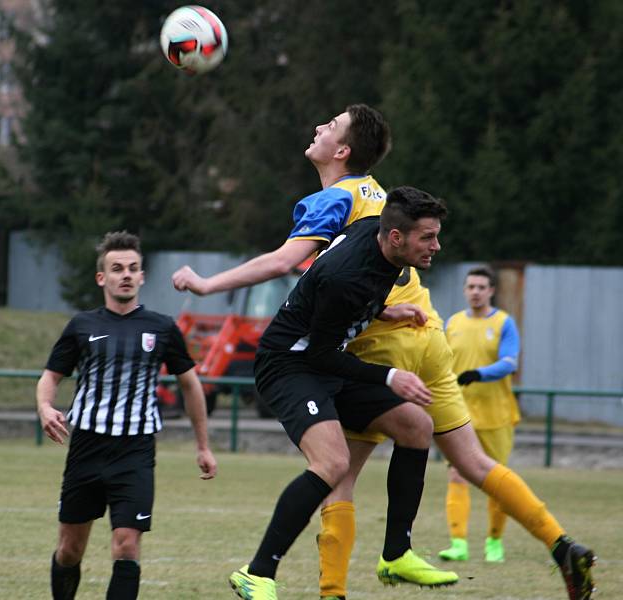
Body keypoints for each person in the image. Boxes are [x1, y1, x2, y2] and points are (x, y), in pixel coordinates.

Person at [175, 104, 596, 600]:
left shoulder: (338, 202)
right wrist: (386, 330)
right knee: (438, 460)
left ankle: (345, 574)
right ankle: (550, 544)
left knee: (343, 472)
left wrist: (207, 284)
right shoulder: (377, 203)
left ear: (344, 150)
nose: (318, 127)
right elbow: (334, 291)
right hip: (399, 341)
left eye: (329, 126)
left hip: (366, 347)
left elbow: (286, 261)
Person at [228, 186, 450, 600]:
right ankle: (256, 573)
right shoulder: (346, 278)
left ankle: (396, 555)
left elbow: (339, 302)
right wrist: (389, 378)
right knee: (332, 463)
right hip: (290, 365)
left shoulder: (373, 231)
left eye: (436, 235)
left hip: (325, 358)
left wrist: (385, 310)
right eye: (428, 237)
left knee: (417, 426)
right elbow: (321, 352)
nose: (436, 246)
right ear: (397, 237)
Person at [37, 231, 217, 600]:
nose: (126, 275)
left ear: (142, 276)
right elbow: (51, 377)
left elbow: (190, 386)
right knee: (70, 549)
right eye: (117, 268)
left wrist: (203, 446)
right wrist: (44, 406)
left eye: (133, 269)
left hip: (134, 452)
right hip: (86, 447)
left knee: (126, 546)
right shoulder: (82, 326)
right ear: (102, 277)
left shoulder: (162, 327)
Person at [438, 266, 521, 563]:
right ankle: (458, 543)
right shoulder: (453, 323)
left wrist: (479, 374)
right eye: (471, 286)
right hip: (459, 413)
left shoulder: (503, 323)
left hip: (497, 414)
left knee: (497, 480)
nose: (475, 291)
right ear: (464, 289)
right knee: (457, 475)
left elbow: (510, 362)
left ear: (491, 291)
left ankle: (494, 542)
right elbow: (442, 361)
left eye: (481, 287)